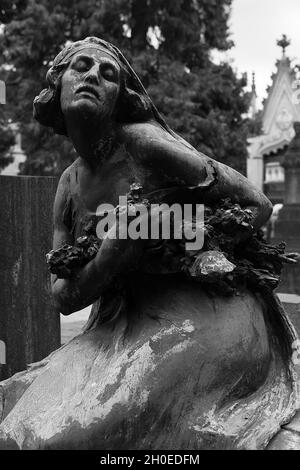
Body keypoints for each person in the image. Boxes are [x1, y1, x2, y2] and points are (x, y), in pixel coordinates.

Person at [0, 37, 298, 450]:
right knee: (17, 419)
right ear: (57, 85)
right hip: (125, 323)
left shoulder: (143, 143)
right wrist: (111, 255)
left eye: (108, 74)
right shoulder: (68, 185)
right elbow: (62, 297)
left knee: (64, 437)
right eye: (80, 67)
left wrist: (165, 231)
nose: (92, 76)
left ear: (120, 97)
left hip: (206, 315)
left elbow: (256, 205)